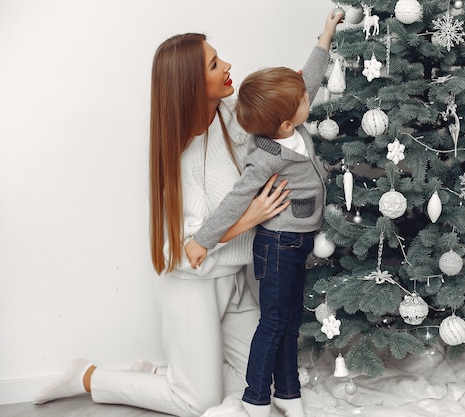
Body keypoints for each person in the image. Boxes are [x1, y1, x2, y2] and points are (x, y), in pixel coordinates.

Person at [32, 22, 298, 417]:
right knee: (197, 403)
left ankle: (168, 373)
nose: (227, 64)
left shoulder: (230, 116)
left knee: (268, 382)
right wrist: (249, 219)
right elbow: (181, 249)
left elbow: (275, 121)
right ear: (191, 84)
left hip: (237, 278)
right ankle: (88, 377)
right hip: (193, 288)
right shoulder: (181, 160)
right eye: (213, 64)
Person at [184, 10, 343, 417]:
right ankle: (255, 399)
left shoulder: (289, 121)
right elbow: (235, 200)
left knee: (290, 321)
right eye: (305, 100)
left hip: (297, 241)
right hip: (277, 246)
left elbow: (307, 77)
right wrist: (202, 240)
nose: (310, 95)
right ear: (288, 121)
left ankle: (288, 393)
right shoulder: (267, 155)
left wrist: (326, 34)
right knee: (273, 324)